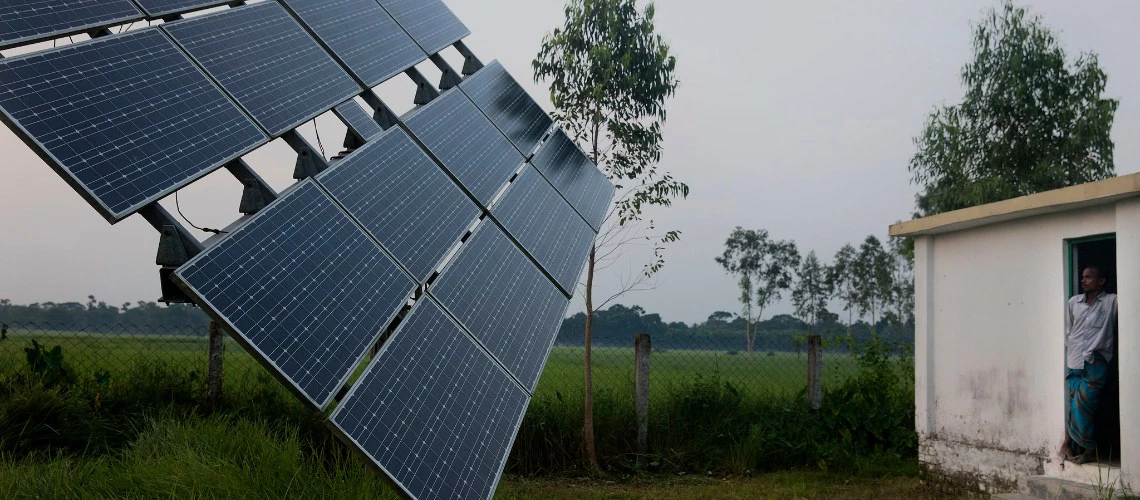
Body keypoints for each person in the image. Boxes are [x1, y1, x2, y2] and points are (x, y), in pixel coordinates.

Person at [1059, 265, 1117, 464]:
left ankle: (1089, 448)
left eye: (1089, 277)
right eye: (1083, 277)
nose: (1083, 280)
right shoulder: (1073, 302)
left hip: (1096, 360)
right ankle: (1069, 445)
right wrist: (1072, 353)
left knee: (1084, 404)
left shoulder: (1111, 301)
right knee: (1073, 402)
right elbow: (1068, 330)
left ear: (1101, 281)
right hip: (1075, 360)